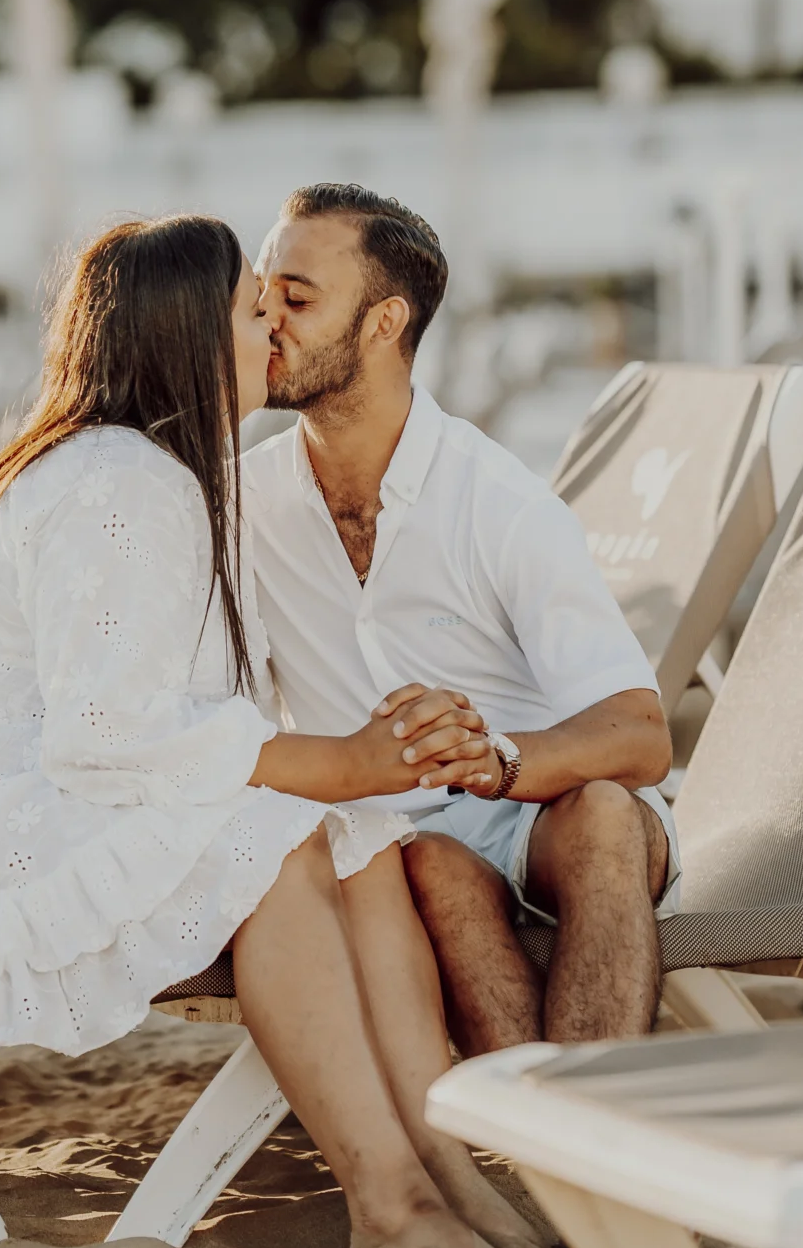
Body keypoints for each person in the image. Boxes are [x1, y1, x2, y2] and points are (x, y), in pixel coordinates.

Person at [0, 212, 542, 1248]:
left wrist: (360, 767)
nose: (276, 333)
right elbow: (110, 734)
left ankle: (445, 1173)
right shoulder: (119, 482)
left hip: (52, 798)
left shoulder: (159, 472)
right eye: (256, 312)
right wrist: (342, 761)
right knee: (278, 844)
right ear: (192, 336)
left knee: (360, 839)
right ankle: (390, 1203)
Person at [244, 182, 677, 1056]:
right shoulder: (242, 505)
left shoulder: (500, 501)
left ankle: (598, 1108)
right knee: (426, 862)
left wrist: (494, 759)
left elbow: (640, 733)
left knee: (603, 814)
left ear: (383, 323)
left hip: (539, 809)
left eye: (297, 299)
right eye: (261, 296)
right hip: (388, 840)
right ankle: (542, 1120)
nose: (266, 323)